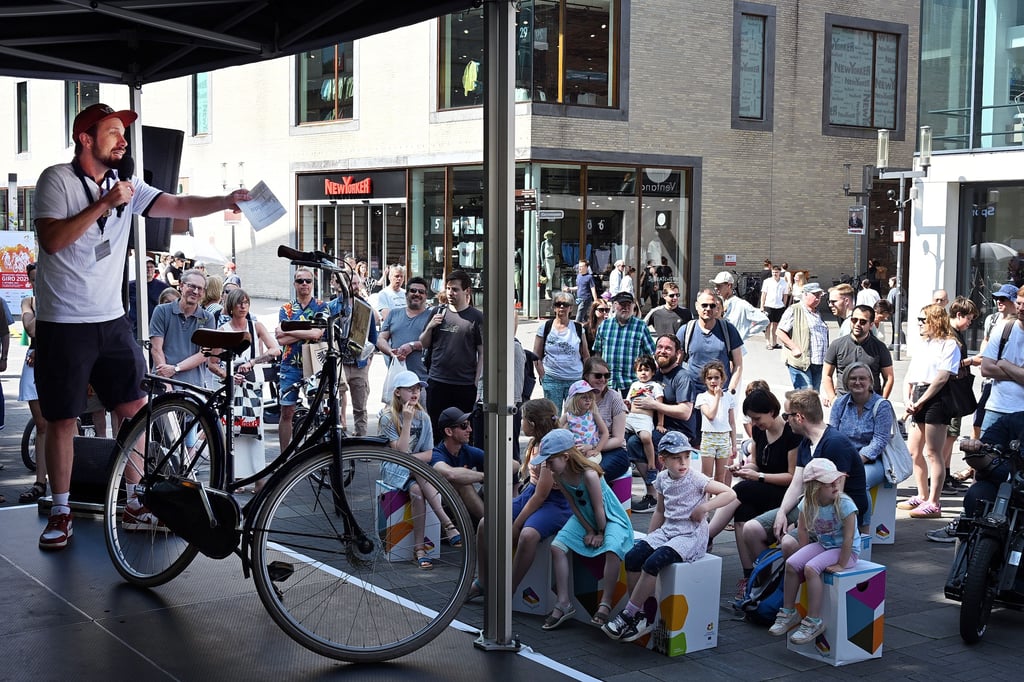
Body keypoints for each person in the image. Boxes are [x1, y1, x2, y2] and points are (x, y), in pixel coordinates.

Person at [32, 102, 249, 549]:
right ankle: (61, 510)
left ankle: (134, 500)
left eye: (123, 132)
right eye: (113, 132)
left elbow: (177, 203)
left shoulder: (126, 185)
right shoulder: (57, 180)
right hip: (64, 321)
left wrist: (224, 201)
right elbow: (51, 241)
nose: (123, 140)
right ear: (85, 139)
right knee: (63, 419)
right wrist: (105, 203)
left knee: (134, 408)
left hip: (112, 320)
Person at [602, 432, 736, 642]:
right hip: (669, 531)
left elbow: (730, 493)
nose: (683, 463)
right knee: (634, 556)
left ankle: (629, 614)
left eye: (686, 457)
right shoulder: (662, 479)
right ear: (663, 460)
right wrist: (650, 538)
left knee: (653, 563)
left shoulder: (696, 478)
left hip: (691, 535)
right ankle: (640, 615)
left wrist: (705, 507)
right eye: (676, 458)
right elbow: (660, 511)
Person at [532, 429, 634, 631]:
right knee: (557, 546)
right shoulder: (558, 474)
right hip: (585, 518)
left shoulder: (589, 474)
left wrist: (600, 533)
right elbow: (574, 505)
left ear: (565, 457)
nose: (547, 466)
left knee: (612, 548)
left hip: (609, 517)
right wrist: (588, 529)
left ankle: (605, 603)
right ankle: (563, 602)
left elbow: (599, 508)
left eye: (550, 461)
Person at [469, 398, 569, 600]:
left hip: (554, 502)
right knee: (485, 523)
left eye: (522, 418)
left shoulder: (549, 448)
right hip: (530, 494)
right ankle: (483, 581)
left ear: (531, 423)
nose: (520, 422)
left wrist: (516, 524)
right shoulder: (536, 441)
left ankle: (509, 588)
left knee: (527, 535)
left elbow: (541, 496)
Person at [707, 388, 800, 601]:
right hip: (761, 489)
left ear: (772, 411)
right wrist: (742, 468)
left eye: (758, 418)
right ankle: (751, 577)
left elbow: (792, 477)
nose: (755, 423)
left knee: (741, 490)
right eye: (752, 419)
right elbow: (756, 464)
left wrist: (758, 476)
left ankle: (707, 535)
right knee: (742, 512)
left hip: (785, 495)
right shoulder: (758, 432)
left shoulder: (791, 434)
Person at [769, 458, 860, 645]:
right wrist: (803, 554)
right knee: (792, 563)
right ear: (814, 488)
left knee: (811, 568)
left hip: (847, 551)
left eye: (836, 481)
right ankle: (789, 612)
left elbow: (849, 538)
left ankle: (813, 620)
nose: (835, 485)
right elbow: (802, 529)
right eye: (829, 483)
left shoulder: (844, 503)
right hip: (825, 545)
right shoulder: (807, 503)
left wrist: (841, 564)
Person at [380, 371, 463, 569]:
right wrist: (407, 421)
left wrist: (412, 460)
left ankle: (419, 549)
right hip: (393, 468)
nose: (415, 393)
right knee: (419, 469)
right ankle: (448, 524)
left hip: (416, 471)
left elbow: (429, 453)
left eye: (417, 389)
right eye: (410, 389)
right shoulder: (388, 417)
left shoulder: (424, 417)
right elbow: (400, 453)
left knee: (417, 490)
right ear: (398, 392)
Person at [897, 303, 961, 519]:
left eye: (923, 320)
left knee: (933, 452)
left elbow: (942, 377)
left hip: (936, 398)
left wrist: (921, 401)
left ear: (935, 320)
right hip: (919, 394)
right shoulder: (924, 344)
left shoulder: (949, 344)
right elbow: (910, 375)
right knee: (914, 451)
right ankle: (922, 495)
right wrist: (908, 399)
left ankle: (934, 502)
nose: (919, 324)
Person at [220, 288, 280, 493]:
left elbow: (275, 349)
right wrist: (228, 376)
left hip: (253, 384)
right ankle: (235, 476)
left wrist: (253, 361)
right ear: (231, 306)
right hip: (232, 385)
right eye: (239, 302)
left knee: (255, 430)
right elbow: (212, 363)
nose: (243, 306)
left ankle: (258, 478)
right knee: (233, 431)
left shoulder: (256, 326)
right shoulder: (223, 330)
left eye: (246, 302)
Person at [629, 334, 696, 512]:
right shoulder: (654, 374)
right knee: (629, 441)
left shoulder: (682, 377)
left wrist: (654, 405)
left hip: (678, 431)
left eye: (668, 348)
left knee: (641, 441)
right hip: (653, 426)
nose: (662, 351)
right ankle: (654, 495)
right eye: (659, 347)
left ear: (678, 353)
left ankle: (658, 496)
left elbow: (685, 412)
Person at [419, 270, 484, 440]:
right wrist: (430, 327)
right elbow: (423, 343)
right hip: (437, 381)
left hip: (464, 384)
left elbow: (482, 352)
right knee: (436, 430)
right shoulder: (438, 312)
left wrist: (477, 382)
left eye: (455, 289)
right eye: (448, 288)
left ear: (467, 291)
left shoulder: (476, 317)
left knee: (463, 432)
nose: (450, 293)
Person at [275, 266, 327, 453]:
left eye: (308, 280)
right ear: (294, 284)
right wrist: (307, 331)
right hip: (290, 365)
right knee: (286, 411)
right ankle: (284, 456)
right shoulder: (286, 309)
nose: (304, 284)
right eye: (300, 281)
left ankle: (315, 454)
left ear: (313, 283)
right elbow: (280, 340)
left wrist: (290, 330)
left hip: (314, 364)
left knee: (317, 410)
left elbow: (317, 334)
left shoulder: (321, 307)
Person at [150, 268, 224, 389]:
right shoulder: (162, 311)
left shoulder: (207, 318)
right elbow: (156, 349)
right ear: (181, 286)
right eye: (191, 286)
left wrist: (176, 368)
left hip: (193, 386)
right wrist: (166, 384)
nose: (195, 291)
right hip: (163, 383)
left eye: (200, 288)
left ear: (204, 292)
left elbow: (204, 353)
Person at [828, 362, 892, 493]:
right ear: (846, 382)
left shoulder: (882, 405)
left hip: (873, 460)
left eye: (862, 378)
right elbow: (833, 435)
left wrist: (856, 460)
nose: (857, 382)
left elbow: (880, 440)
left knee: (861, 481)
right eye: (853, 378)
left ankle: (861, 508)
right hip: (843, 458)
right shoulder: (839, 404)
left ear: (870, 381)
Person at [18, 264, 50, 504]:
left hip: (60, 363)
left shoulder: (62, 297)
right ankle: (40, 481)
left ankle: (74, 478)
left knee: (67, 423)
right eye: (32, 280)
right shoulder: (28, 302)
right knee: (41, 426)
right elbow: (32, 329)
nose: (36, 283)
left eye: (40, 278)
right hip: (34, 363)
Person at [820, 304, 894, 406]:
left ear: (871, 325)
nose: (857, 324)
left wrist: (881, 402)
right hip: (843, 403)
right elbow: (826, 375)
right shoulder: (837, 345)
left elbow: (889, 377)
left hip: (870, 404)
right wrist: (833, 399)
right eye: (854, 320)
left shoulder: (880, 347)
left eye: (863, 322)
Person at [677, 289, 744, 398]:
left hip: (720, 395)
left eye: (712, 305)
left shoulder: (728, 329)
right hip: (693, 394)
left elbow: (738, 364)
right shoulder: (686, 330)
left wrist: (730, 391)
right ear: (696, 306)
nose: (708, 309)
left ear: (717, 307)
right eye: (704, 305)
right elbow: (677, 364)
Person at [592, 291, 655, 395]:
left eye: (628, 305)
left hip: (632, 384)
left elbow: (651, 354)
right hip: (608, 382)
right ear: (614, 305)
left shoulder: (641, 326)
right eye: (622, 304)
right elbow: (597, 354)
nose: (625, 308)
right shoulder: (604, 325)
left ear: (633, 306)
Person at [979, 285, 1024, 433]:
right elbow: (986, 369)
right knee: (986, 447)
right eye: (1019, 303)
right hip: (997, 408)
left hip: (1021, 411)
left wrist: (1003, 364)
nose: (1021, 308)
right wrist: (1019, 374)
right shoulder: (1003, 329)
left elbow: (993, 366)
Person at [534, 291, 590, 410]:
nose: (562, 307)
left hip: (575, 379)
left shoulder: (578, 328)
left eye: (565, 304)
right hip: (552, 379)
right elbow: (536, 356)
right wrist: (543, 376)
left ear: (571, 308)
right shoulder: (545, 328)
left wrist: (586, 377)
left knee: (575, 415)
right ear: (554, 307)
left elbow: (586, 355)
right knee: (553, 416)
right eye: (558, 304)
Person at [431, 406, 486, 521]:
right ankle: (491, 526)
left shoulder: (466, 450)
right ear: (449, 431)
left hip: (462, 505)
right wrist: (485, 476)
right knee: (463, 484)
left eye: (469, 424)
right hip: (441, 508)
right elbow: (450, 474)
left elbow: (513, 465)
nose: (470, 429)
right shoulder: (437, 454)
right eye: (464, 425)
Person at [377, 276, 432, 386]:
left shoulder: (432, 317)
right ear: (406, 294)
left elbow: (436, 342)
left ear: (426, 296)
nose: (417, 294)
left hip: (423, 381)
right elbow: (381, 339)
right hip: (398, 380)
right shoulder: (394, 314)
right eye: (413, 290)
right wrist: (390, 351)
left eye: (421, 292)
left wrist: (412, 346)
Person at [582, 357, 631, 481]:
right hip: (582, 450)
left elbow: (618, 439)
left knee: (592, 473)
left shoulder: (614, 398)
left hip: (613, 451)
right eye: (598, 375)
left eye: (607, 375)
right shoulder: (576, 398)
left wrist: (593, 447)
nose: (603, 379)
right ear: (586, 376)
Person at [777, 282, 829, 391]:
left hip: (818, 362)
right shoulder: (794, 309)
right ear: (805, 294)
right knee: (806, 393)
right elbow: (780, 331)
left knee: (814, 395)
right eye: (815, 295)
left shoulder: (817, 313)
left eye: (819, 295)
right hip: (801, 361)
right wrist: (794, 347)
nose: (818, 298)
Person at [695, 360, 737, 484]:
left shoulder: (729, 397)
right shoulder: (702, 397)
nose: (713, 381)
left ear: (722, 379)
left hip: (724, 438)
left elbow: (732, 422)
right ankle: (706, 496)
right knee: (706, 476)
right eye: (709, 378)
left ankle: (719, 497)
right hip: (709, 438)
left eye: (716, 378)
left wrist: (734, 444)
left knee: (720, 476)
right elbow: (710, 415)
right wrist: (717, 397)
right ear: (705, 380)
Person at [624, 355, 664, 478]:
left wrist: (660, 423)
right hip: (631, 417)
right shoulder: (634, 385)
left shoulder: (655, 386)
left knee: (646, 438)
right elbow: (628, 402)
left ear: (653, 372)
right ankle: (625, 462)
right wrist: (626, 404)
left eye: (646, 370)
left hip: (644, 418)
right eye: (640, 370)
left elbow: (660, 406)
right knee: (617, 433)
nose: (643, 373)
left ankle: (651, 464)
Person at [710, 271, 769, 343]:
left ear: (729, 285)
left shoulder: (741, 304)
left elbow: (764, 320)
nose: (716, 288)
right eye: (715, 285)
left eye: (719, 285)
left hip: (734, 346)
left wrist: (744, 334)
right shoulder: (718, 303)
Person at [560, 379, 610, 456]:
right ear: (574, 399)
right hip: (574, 452)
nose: (588, 400)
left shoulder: (593, 413)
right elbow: (556, 432)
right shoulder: (567, 416)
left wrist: (597, 450)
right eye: (584, 397)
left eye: (590, 397)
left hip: (590, 450)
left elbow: (605, 433)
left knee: (592, 462)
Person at [127, 256, 167, 336]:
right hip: (134, 327)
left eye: (151, 267)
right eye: (146, 267)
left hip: (154, 326)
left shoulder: (163, 287)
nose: (149, 269)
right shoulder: (130, 286)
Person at [761, 264, 790, 350]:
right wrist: (762, 306)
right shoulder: (767, 281)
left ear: (780, 272)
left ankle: (774, 342)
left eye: (776, 272)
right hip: (768, 305)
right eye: (773, 272)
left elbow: (785, 295)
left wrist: (784, 305)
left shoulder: (784, 283)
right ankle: (767, 343)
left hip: (779, 306)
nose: (775, 274)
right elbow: (763, 294)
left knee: (776, 325)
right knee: (768, 325)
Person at [569, 259, 599, 324]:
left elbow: (592, 288)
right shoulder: (579, 276)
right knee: (584, 319)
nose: (579, 268)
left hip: (585, 299)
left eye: (581, 266)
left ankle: (576, 328)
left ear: (586, 267)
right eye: (579, 266)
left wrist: (595, 300)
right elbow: (578, 287)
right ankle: (587, 328)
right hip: (579, 299)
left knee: (578, 318)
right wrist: (569, 288)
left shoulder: (589, 277)